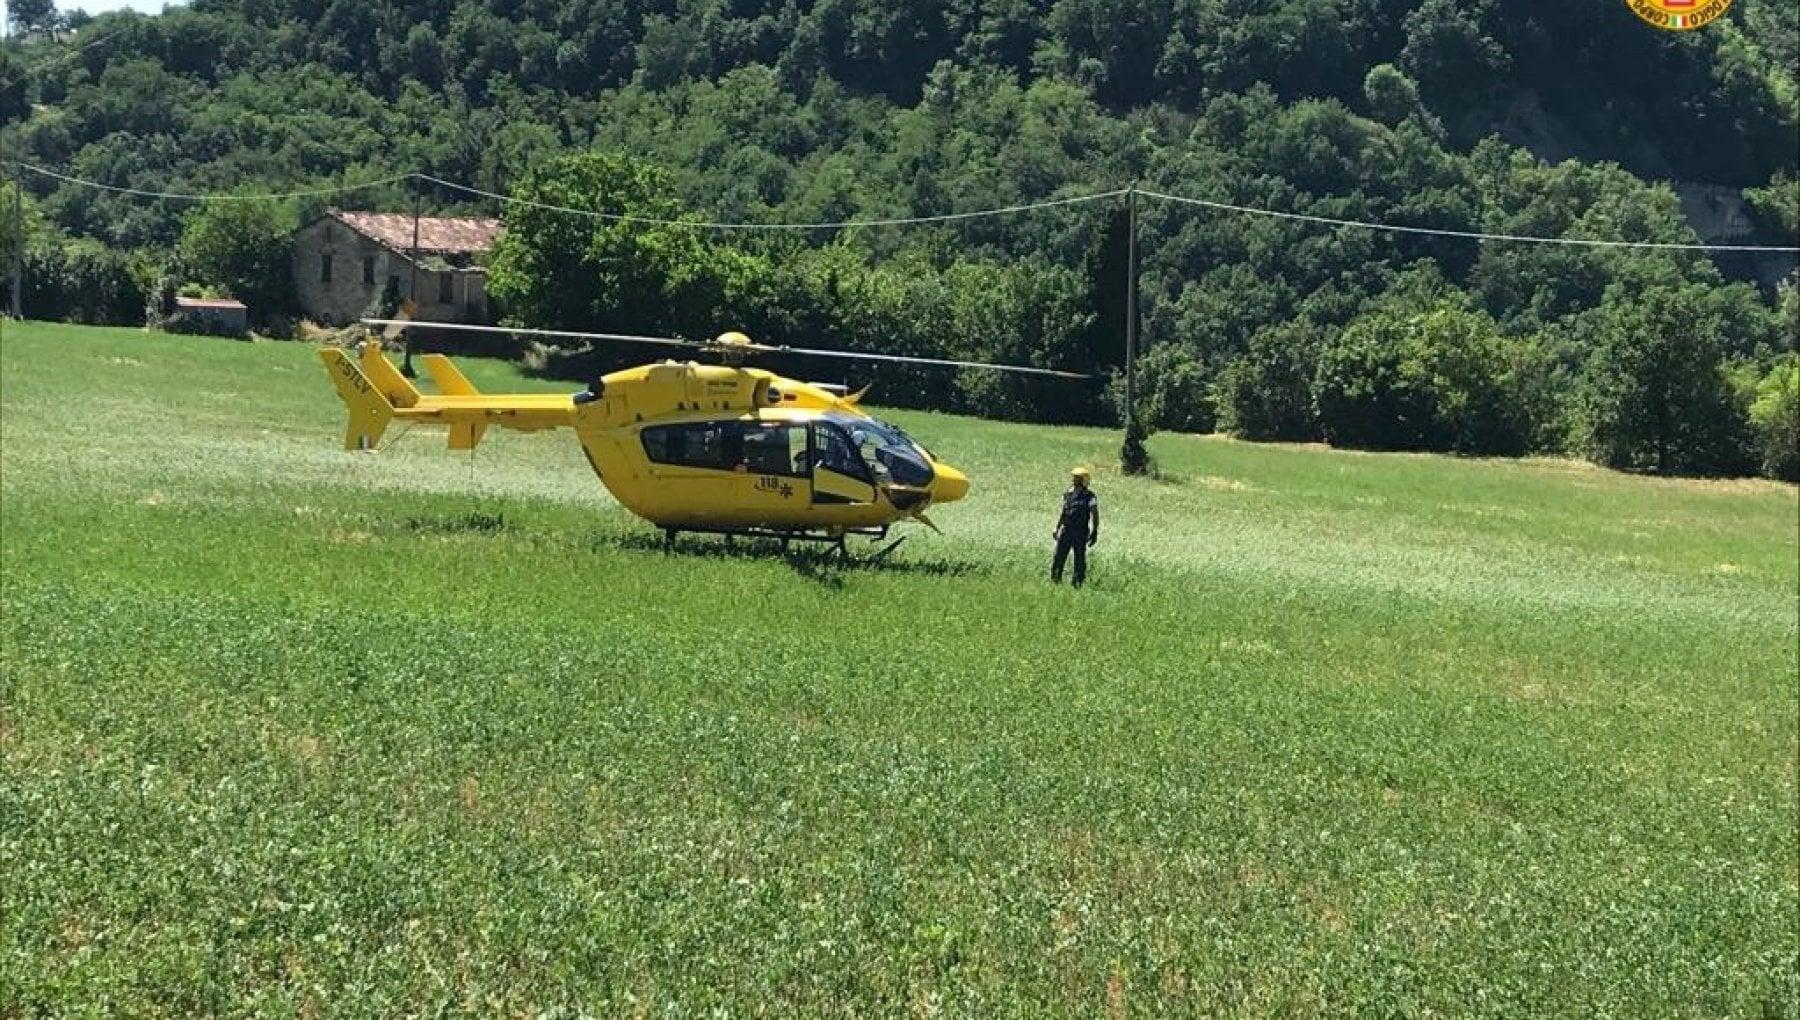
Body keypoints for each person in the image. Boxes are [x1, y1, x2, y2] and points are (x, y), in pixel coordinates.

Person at [1052, 466, 1099, 587]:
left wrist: (1094, 531)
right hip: (1066, 530)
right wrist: (1057, 528)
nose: (1074, 480)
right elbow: (1063, 512)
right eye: (1074, 477)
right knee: (1059, 556)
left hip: (1081, 532)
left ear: (1083, 480)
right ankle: (1055, 581)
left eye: (1077, 478)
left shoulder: (1090, 496)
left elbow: (1095, 514)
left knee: (1079, 559)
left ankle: (1077, 584)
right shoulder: (1068, 494)